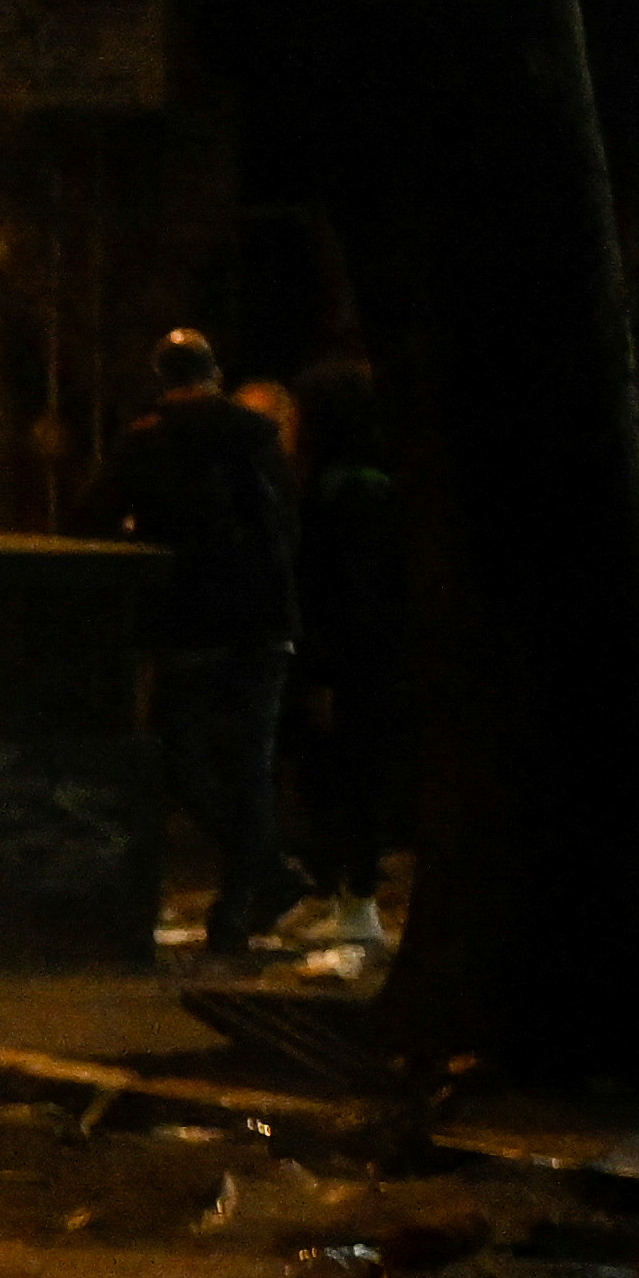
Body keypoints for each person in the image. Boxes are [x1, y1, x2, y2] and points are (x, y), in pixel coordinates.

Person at [95, 324, 299, 954]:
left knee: (179, 758)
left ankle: (260, 876)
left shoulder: (145, 444)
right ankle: (243, 899)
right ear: (215, 373)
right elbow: (281, 528)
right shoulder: (257, 438)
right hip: (257, 623)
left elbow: (92, 515)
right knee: (249, 766)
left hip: (183, 622)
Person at [285, 355, 411, 900]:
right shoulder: (375, 480)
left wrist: (325, 667)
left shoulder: (344, 488)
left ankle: (351, 887)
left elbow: (341, 586)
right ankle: (345, 883)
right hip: (372, 653)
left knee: (342, 772)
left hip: (350, 657)